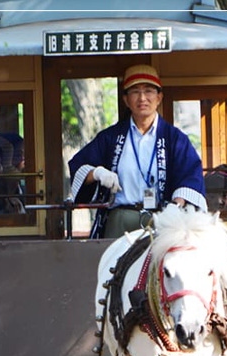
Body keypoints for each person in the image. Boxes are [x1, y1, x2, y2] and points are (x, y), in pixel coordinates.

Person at [68, 64, 206, 238]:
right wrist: (97, 173)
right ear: (126, 99)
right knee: (112, 264)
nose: (142, 98)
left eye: (148, 91)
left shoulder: (175, 139)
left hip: (162, 218)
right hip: (120, 218)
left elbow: (191, 175)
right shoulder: (110, 137)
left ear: (159, 97)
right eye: (135, 91)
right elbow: (78, 166)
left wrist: (175, 205)